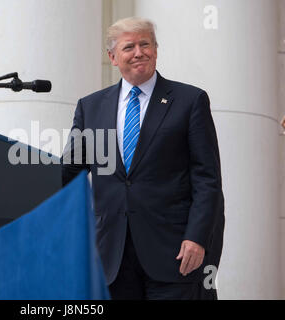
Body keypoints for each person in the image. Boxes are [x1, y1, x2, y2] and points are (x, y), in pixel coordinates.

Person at [62, 17, 225, 300]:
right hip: (112, 257)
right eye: (129, 47)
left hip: (175, 254)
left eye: (145, 44)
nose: (139, 52)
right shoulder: (90, 107)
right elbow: (68, 173)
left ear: (156, 50)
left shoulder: (190, 101)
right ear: (113, 57)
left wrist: (197, 237)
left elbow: (207, 179)